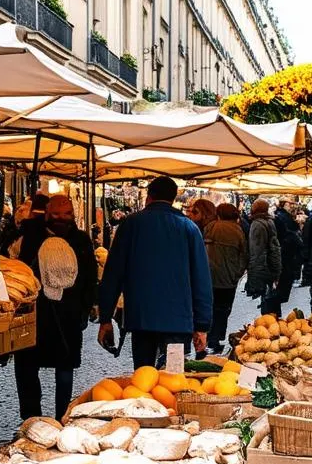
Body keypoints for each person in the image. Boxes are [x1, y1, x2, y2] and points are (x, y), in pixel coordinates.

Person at [98, 175, 212, 369]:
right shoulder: (190, 228)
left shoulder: (131, 224)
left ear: (148, 196)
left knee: (143, 377)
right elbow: (201, 280)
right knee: (174, 379)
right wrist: (202, 325)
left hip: (141, 318)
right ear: (174, 198)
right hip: (178, 320)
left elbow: (113, 273)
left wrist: (105, 318)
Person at [14, 195, 97, 420]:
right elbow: (15, 267)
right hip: (35, 313)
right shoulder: (29, 236)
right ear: (47, 213)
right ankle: (31, 417)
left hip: (68, 315)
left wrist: (86, 308)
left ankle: (63, 416)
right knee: (27, 366)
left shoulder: (81, 240)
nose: (62, 218)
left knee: (65, 367)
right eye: (56, 214)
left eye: (67, 214)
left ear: (73, 215)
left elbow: (90, 277)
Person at [205, 203, 248, 354]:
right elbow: (243, 256)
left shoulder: (211, 227)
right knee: (223, 310)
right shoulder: (238, 231)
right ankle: (215, 339)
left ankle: (209, 338)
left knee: (210, 308)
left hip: (209, 276)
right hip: (228, 278)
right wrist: (237, 273)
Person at [245, 199, 282, 316]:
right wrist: (276, 271)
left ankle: (269, 326)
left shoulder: (258, 224)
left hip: (263, 268)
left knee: (267, 303)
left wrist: (255, 276)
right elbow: (274, 248)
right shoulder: (269, 222)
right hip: (270, 267)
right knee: (269, 300)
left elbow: (257, 252)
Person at [273, 199, 303, 309]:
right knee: (282, 284)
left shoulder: (282, 216)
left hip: (285, 254)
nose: (291, 206)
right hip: (285, 254)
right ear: (284, 204)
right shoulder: (282, 217)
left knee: (282, 285)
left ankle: (275, 309)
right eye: (289, 204)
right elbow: (286, 234)